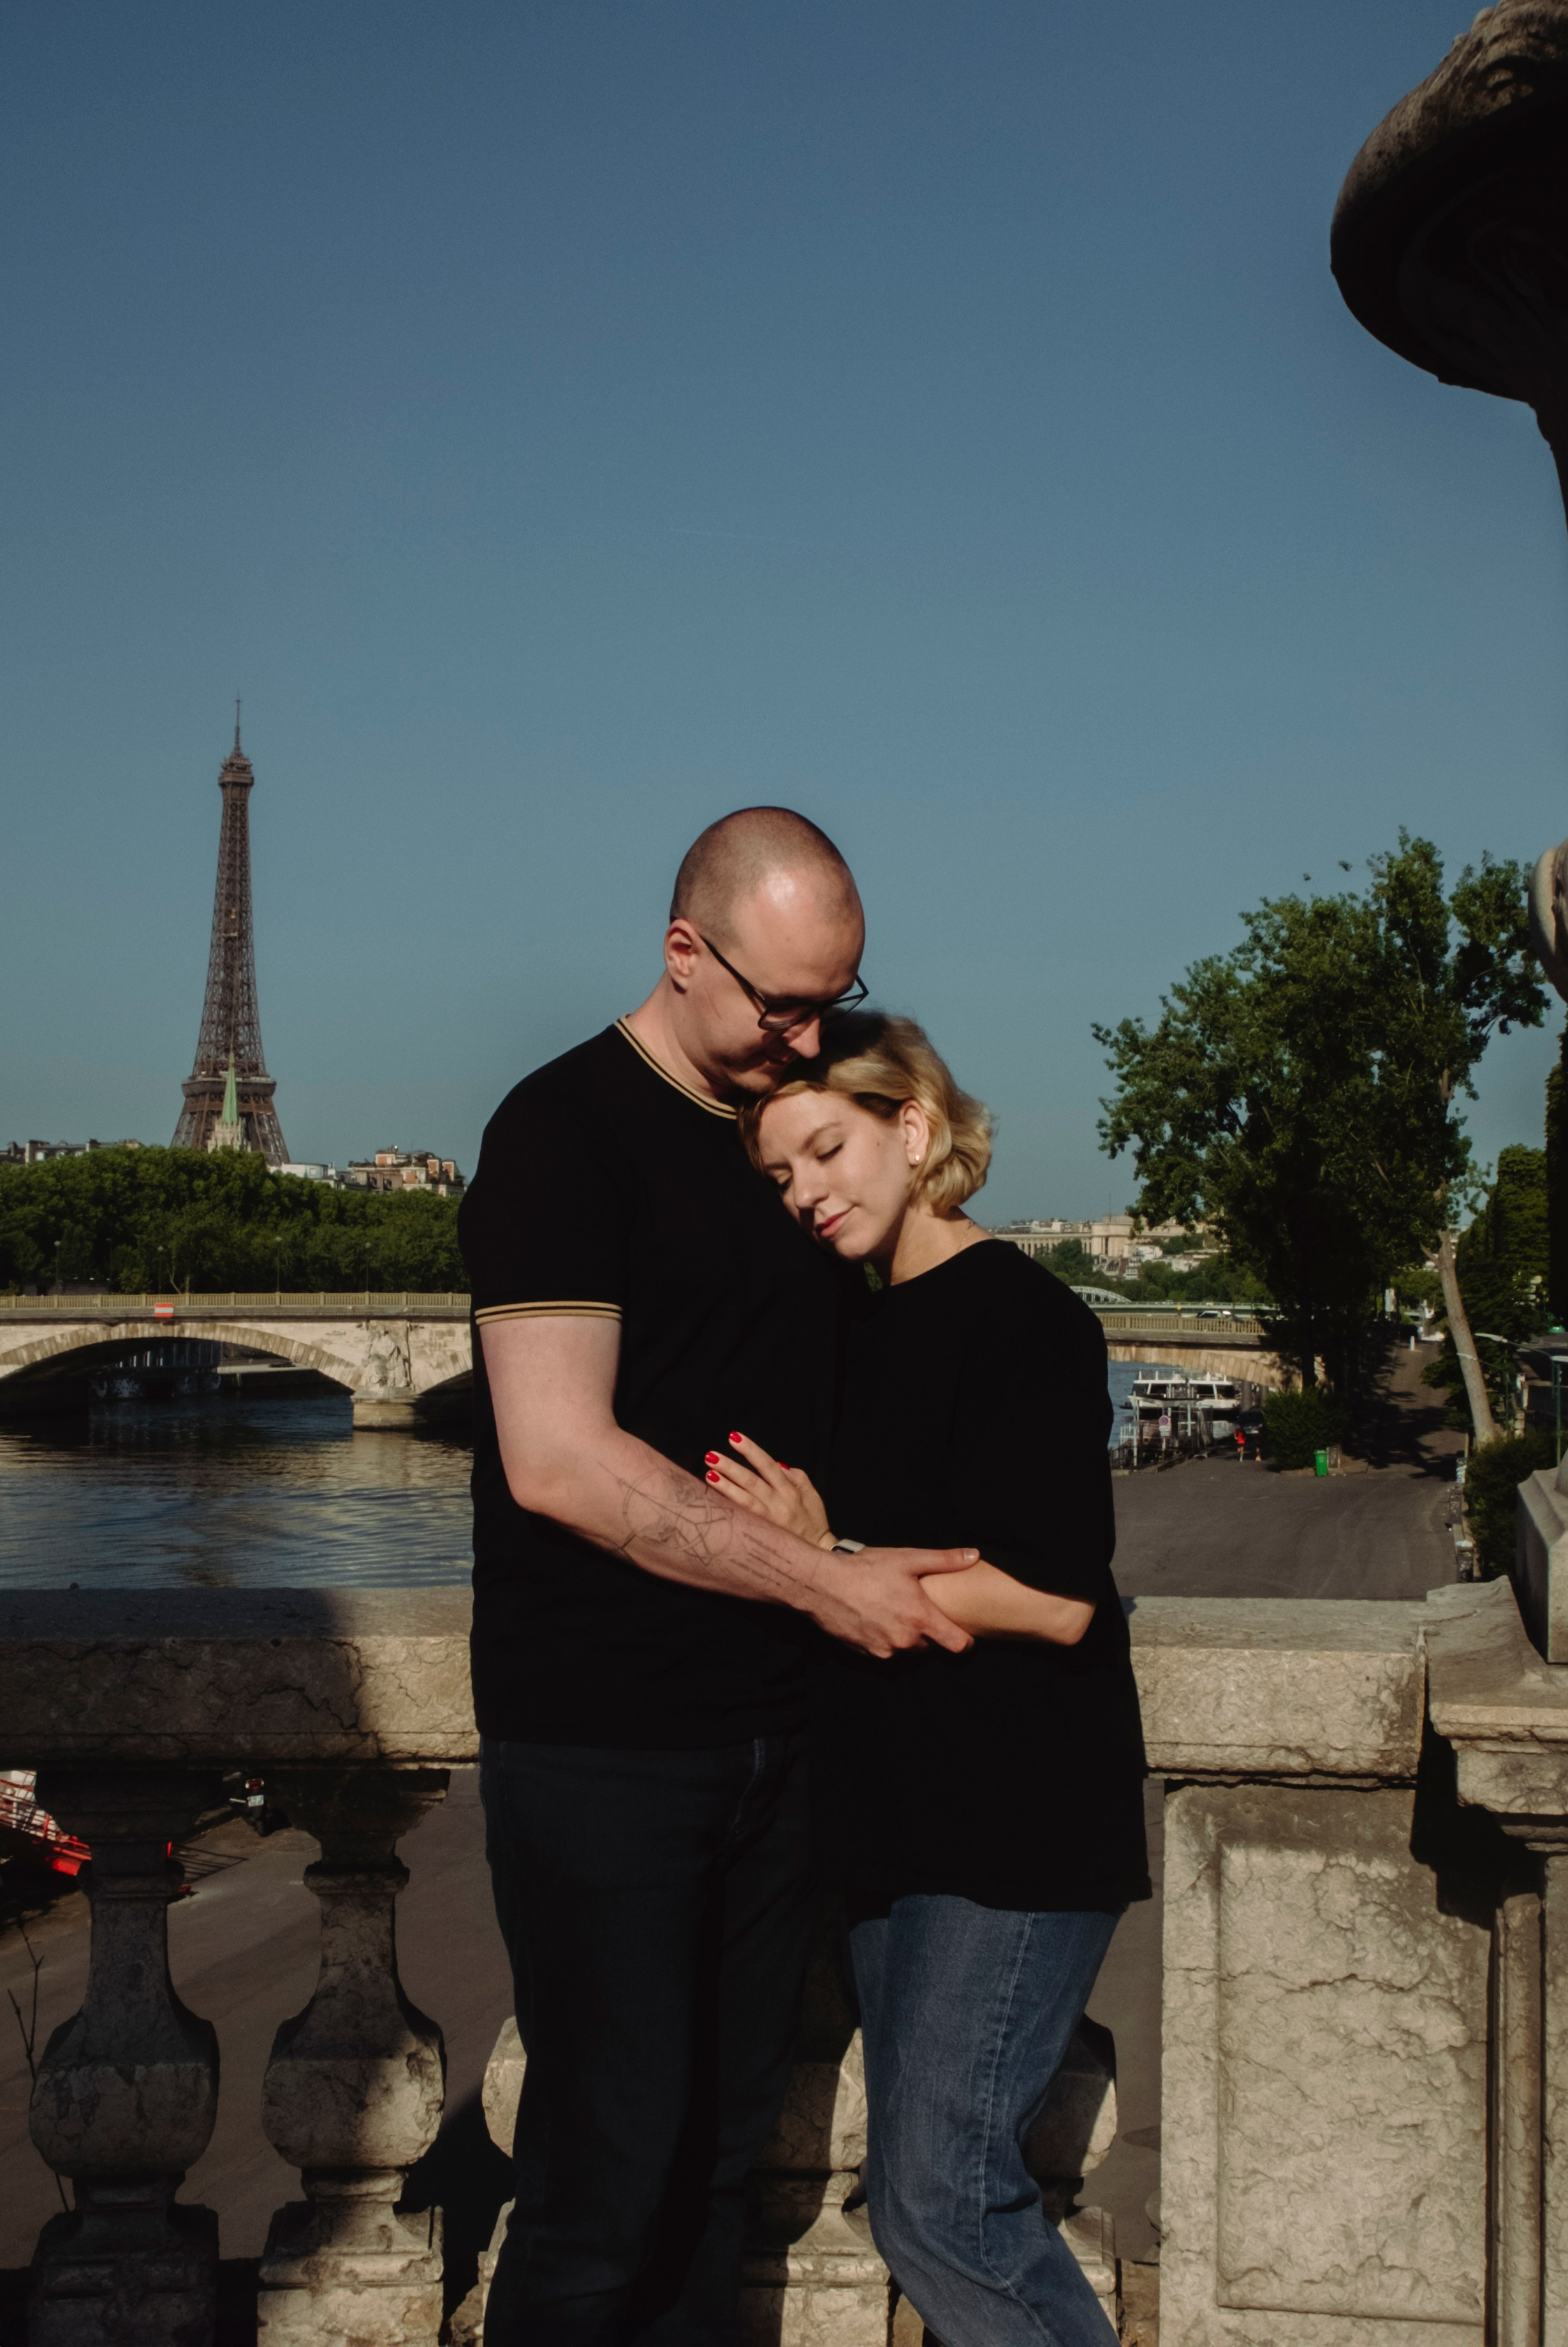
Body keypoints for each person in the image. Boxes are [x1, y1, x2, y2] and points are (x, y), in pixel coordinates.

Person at [457, 811, 984, 2347]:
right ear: (682, 951)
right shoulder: (559, 1129)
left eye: (836, 997)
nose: (808, 1035)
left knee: (710, 2184)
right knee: (598, 2188)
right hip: (605, 1739)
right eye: (778, 1004)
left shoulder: (794, 1125)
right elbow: (558, 1456)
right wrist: (825, 1581)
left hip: (781, 1739)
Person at [706, 1012, 1149, 2347]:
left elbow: (1053, 1592)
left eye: (828, 1148)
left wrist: (823, 1554)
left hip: (1009, 1820)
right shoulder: (845, 1323)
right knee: (935, 2186)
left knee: (939, 2200)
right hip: (895, 1817)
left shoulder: (1026, 1318)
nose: (807, 1191)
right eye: (781, 1174)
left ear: (913, 1126)